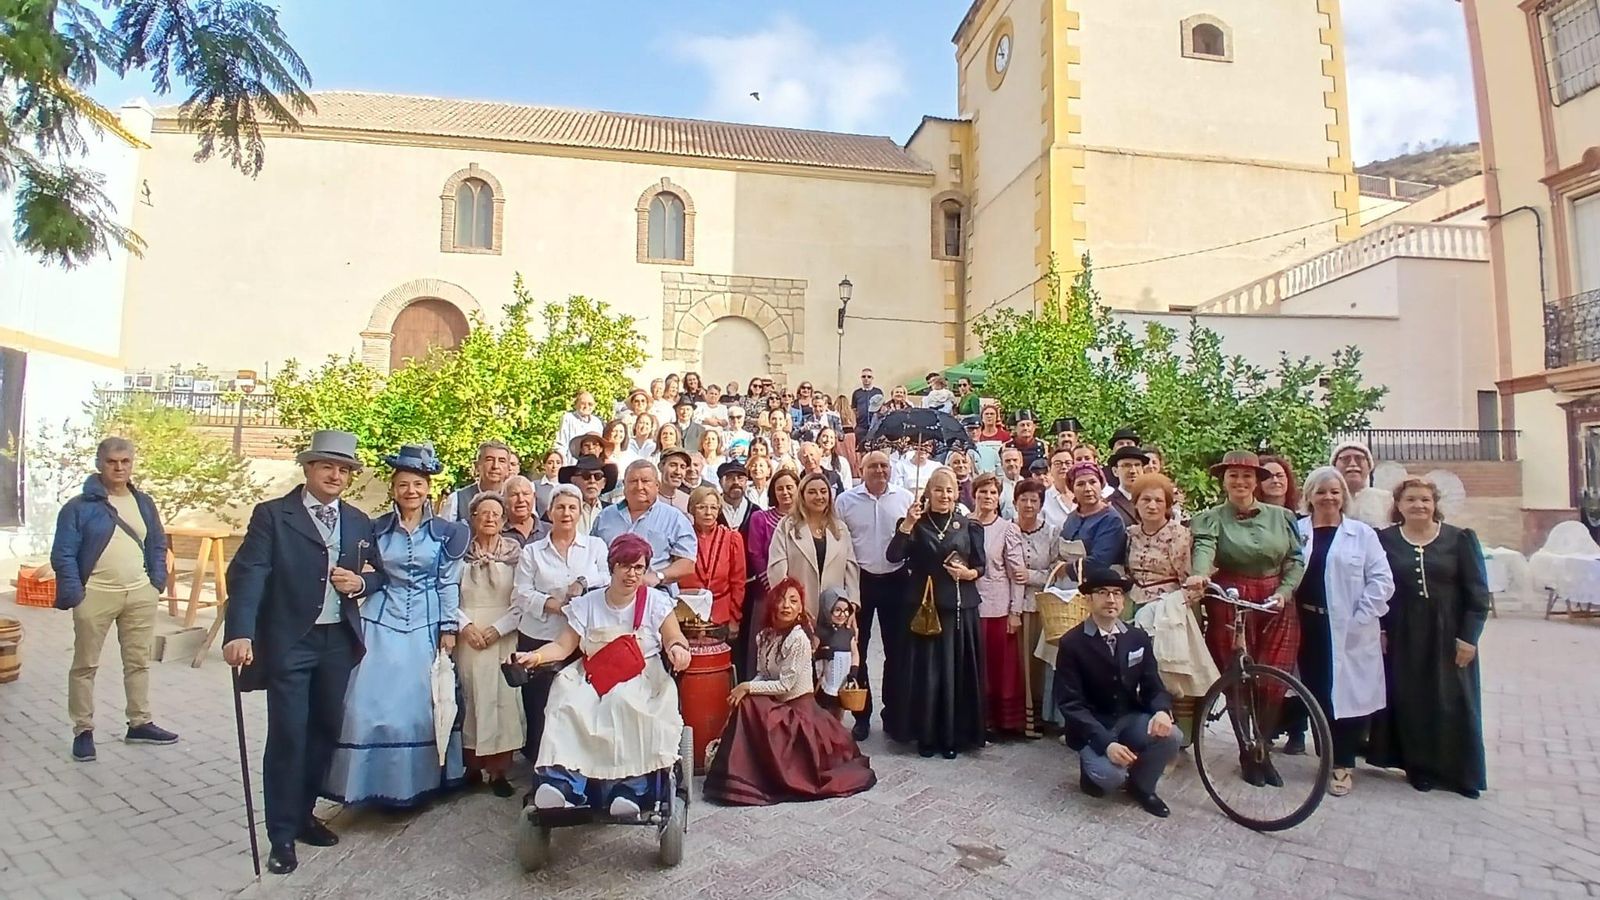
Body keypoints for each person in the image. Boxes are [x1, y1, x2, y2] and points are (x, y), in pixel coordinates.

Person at [223, 430, 386, 874]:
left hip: (338, 641)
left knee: (324, 731)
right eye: (326, 467)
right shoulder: (273, 516)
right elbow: (249, 575)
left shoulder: (357, 521)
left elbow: (379, 574)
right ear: (308, 469)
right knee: (288, 735)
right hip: (291, 641)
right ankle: (280, 835)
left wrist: (362, 583)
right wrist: (239, 633)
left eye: (344, 470)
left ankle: (303, 814)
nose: (336, 475)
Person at [323, 443, 467, 811]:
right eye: (403, 484)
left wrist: (448, 626)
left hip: (426, 622)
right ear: (393, 488)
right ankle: (367, 783)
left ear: (428, 487)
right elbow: (366, 574)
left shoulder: (446, 533)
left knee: (418, 706)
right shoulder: (375, 530)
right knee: (368, 703)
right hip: (380, 620)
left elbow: (447, 582)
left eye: (418, 484)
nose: (411, 491)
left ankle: (416, 785)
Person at [515, 534, 693, 815]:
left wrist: (678, 649)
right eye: (625, 566)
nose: (632, 574)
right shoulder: (588, 604)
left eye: (638, 567)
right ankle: (563, 785)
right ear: (612, 567)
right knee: (567, 701)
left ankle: (630, 788)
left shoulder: (655, 602)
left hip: (642, 673)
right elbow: (563, 646)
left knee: (624, 703)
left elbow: (673, 637)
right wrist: (534, 656)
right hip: (593, 672)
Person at [1185, 450, 1305, 787]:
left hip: (1275, 600)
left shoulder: (1281, 517)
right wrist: (1199, 576)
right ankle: (1244, 749)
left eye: (1247, 476)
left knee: (1273, 679)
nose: (1240, 482)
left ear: (1257, 481)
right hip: (1232, 599)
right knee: (1237, 677)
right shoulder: (1210, 518)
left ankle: (1262, 747)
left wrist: (1285, 590)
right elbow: (1204, 549)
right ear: (1223, 481)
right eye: (1233, 476)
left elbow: (1295, 559)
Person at [52, 436, 176, 762]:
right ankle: (83, 730)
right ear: (99, 464)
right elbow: (63, 554)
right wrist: (77, 595)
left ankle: (140, 722)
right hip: (95, 595)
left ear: (132, 464)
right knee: (85, 665)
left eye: (125, 462)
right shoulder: (79, 508)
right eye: (112, 462)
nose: (119, 468)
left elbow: (157, 543)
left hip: (139, 594)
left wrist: (155, 583)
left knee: (138, 662)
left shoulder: (143, 502)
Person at [703, 578, 877, 805]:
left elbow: (785, 686)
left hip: (798, 712)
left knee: (750, 702)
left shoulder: (799, 639)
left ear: (800, 609)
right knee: (746, 703)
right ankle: (740, 772)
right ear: (772, 604)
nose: (786, 605)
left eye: (793, 601)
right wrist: (746, 689)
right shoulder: (765, 636)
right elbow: (763, 675)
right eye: (782, 600)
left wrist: (747, 687)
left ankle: (750, 775)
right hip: (778, 705)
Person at [1370, 477, 1490, 799]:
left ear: (1435, 503)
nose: (1418, 505)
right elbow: (1376, 586)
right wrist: (1380, 628)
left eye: (1425, 499)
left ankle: (1462, 773)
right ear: (1399, 505)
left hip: (1448, 630)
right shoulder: (1385, 540)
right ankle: (1420, 768)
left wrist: (1469, 636)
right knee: (1413, 699)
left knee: (1455, 700)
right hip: (1403, 631)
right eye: (1411, 499)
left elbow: (1477, 592)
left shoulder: (1459, 539)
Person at [1291, 466, 1393, 797]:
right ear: (1309, 496)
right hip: (1306, 625)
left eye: (1335, 492)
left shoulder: (1362, 534)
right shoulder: (1298, 531)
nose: (1328, 497)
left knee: (1347, 697)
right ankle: (1326, 756)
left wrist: (1362, 617)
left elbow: (1382, 580)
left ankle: (1343, 765)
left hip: (1349, 629)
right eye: (1321, 492)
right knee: (1317, 691)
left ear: (1343, 497)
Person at [1053, 561, 1179, 818]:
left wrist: (1162, 710)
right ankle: (1091, 773)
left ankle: (1142, 787)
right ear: (1088, 599)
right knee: (1110, 777)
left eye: (1117, 593)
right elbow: (1070, 703)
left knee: (1172, 736)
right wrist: (1106, 743)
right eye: (1102, 593)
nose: (1111, 599)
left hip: (1128, 717)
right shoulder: (1072, 643)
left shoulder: (1137, 637)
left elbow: (1153, 684)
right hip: (1093, 725)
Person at [887, 467, 986, 759]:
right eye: (939, 489)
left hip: (959, 607)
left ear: (958, 493)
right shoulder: (915, 523)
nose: (944, 495)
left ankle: (953, 735)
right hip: (924, 608)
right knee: (927, 675)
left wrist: (968, 573)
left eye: (950, 489)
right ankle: (926, 735)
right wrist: (907, 524)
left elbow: (981, 566)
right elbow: (893, 556)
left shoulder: (969, 525)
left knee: (955, 673)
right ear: (928, 492)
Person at [512, 484, 610, 763]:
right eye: (560, 507)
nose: (566, 513)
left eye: (572, 508)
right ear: (549, 512)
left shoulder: (594, 546)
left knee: (577, 701)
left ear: (580, 513)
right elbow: (521, 591)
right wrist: (552, 605)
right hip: (539, 634)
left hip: (580, 638)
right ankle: (540, 763)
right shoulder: (533, 551)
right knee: (540, 702)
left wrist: (582, 582)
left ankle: (576, 761)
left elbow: (605, 576)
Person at [836, 451, 915, 741]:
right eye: (873, 466)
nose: (880, 470)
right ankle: (861, 714)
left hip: (897, 580)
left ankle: (894, 713)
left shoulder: (906, 499)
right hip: (861, 581)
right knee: (859, 649)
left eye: (884, 465)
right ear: (862, 469)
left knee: (898, 650)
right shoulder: (845, 501)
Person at [453, 491, 525, 798]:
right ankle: (471, 767)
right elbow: (446, 594)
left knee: (502, 700)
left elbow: (523, 598)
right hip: (468, 636)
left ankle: (498, 772)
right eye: (483, 513)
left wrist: (498, 629)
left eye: (496, 513)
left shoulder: (516, 553)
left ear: (504, 519)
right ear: (473, 518)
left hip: (503, 633)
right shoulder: (458, 552)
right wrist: (464, 626)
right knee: (471, 696)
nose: (490, 518)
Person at [971, 473, 1027, 739]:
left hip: (998, 606)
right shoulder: (964, 524)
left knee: (998, 666)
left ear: (999, 497)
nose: (987, 497)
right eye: (983, 492)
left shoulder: (1007, 529)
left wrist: (1015, 611)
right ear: (974, 495)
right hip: (970, 605)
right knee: (976, 665)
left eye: (993, 493)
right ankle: (977, 717)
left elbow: (1018, 573)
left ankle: (1001, 721)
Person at [766, 472, 861, 625]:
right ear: (802, 496)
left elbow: (851, 570)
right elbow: (776, 569)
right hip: (798, 612)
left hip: (835, 612)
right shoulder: (787, 526)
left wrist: (852, 605)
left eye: (823, 492)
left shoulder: (840, 528)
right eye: (812, 492)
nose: (819, 496)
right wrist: (789, 605)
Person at [591, 460, 697, 593]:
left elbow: (687, 563)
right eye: (633, 481)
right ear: (624, 485)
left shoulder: (675, 518)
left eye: (646, 481)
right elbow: (592, 556)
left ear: (657, 485)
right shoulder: (605, 516)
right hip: (610, 596)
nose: (639, 486)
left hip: (657, 595)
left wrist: (658, 576)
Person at [1014, 479, 1063, 737]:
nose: (1029, 505)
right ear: (1015, 502)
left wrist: (1030, 575)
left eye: (1034, 500)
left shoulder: (1052, 532)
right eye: (1024, 499)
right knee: (1016, 663)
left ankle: (1039, 715)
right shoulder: (1009, 530)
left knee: (1037, 662)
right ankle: (1018, 716)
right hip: (1013, 604)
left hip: (1040, 603)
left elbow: (1057, 570)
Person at [742, 470, 799, 677]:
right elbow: (755, 555)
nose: (785, 492)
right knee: (764, 645)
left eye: (789, 487)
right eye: (780, 488)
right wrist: (776, 588)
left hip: (799, 595)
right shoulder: (761, 518)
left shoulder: (805, 519)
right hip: (767, 593)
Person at [680, 484, 747, 634]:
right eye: (702, 507)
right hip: (686, 614)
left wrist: (734, 618)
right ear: (692, 509)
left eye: (713, 508)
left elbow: (738, 582)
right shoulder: (681, 537)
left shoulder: (732, 538)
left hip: (720, 615)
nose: (708, 513)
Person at [1125, 473, 1190, 614]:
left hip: (1167, 608)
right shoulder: (1131, 533)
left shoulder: (1178, 534)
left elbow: (1187, 580)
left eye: (1158, 501)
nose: (1152, 506)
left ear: (1167, 505)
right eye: (1146, 500)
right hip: (1132, 604)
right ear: (1136, 503)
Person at [1062, 463, 1126, 568]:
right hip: (1069, 581)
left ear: (1101, 485)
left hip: (1101, 581)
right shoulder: (1072, 517)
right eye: (1080, 484)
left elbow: (1100, 561)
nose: (1088, 488)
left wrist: (1065, 570)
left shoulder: (1111, 520)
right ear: (1072, 489)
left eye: (1093, 482)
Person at [441, 440, 514, 522]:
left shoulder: (516, 500)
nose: (495, 466)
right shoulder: (457, 499)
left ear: (508, 468)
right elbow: (444, 532)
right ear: (477, 466)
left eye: (501, 461)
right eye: (489, 460)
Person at [1331, 439, 1392, 527]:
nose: (1352, 463)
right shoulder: (1325, 499)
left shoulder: (1386, 499)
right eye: (1345, 459)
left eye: (1359, 458)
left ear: (1369, 466)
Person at [559, 454, 616, 536]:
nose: (592, 481)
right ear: (573, 481)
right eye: (586, 476)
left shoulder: (613, 512)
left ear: (604, 483)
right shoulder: (562, 510)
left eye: (598, 476)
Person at [501, 475, 550, 546]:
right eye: (514, 495)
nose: (521, 499)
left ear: (534, 497)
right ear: (504, 499)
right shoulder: (497, 533)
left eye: (526, 494)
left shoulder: (550, 531)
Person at [1105, 446, 1149, 526]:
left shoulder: (1153, 501)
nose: (1133, 471)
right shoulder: (1107, 506)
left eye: (1137, 465)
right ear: (1115, 471)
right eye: (1126, 465)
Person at [555, 392, 602, 464]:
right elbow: (561, 444)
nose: (586, 406)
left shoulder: (597, 422)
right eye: (583, 403)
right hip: (572, 464)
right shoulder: (568, 418)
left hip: (592, 465)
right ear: (576, 404)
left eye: (590, 404)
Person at [1042, 447, 1076, 534]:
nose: (1064, 467)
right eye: (1058, 463)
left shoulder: (1084, 495)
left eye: (1068, 463)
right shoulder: (1043, 499)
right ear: (1049, 469)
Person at [718, 460, 757, 531]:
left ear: (746, 482)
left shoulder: (755, 512)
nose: (736, 482)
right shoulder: (712, 510)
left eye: (740, 478)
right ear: (721, 482)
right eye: (730, 478)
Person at [658, 447, 694, 512]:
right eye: (673, 465)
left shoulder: (687, 501)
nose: (678, 472)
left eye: (682, 467)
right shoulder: (649, 498)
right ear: (661, 466)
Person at [533, 449, 563, 517]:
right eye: (550, 463)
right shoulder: (534, 486)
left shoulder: (567, 486)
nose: (554, 466)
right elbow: (533, 511)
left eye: (558, 462)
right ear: (544, 465)